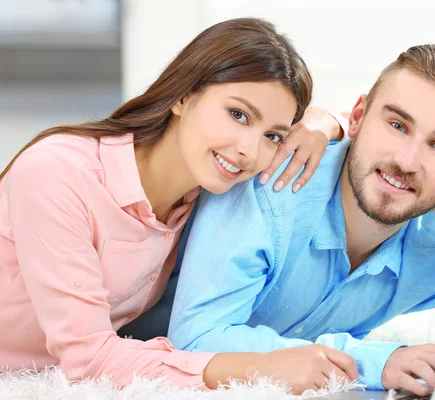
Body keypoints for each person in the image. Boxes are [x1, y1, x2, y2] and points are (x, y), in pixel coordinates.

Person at [167, 44, 435, 396]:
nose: (405, 161)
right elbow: (197, 338)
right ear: (356, 117)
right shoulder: (271, 184)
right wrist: (374, 361)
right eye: (396, 125)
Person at [0, 17, 358, 393]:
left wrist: (325, 123)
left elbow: (380, 129)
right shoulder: (58, 174)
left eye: (272, 136)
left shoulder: (206, 192)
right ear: (184, 96)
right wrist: (259, 368)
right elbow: (90, 358)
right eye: (238, 115)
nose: (248, 151)